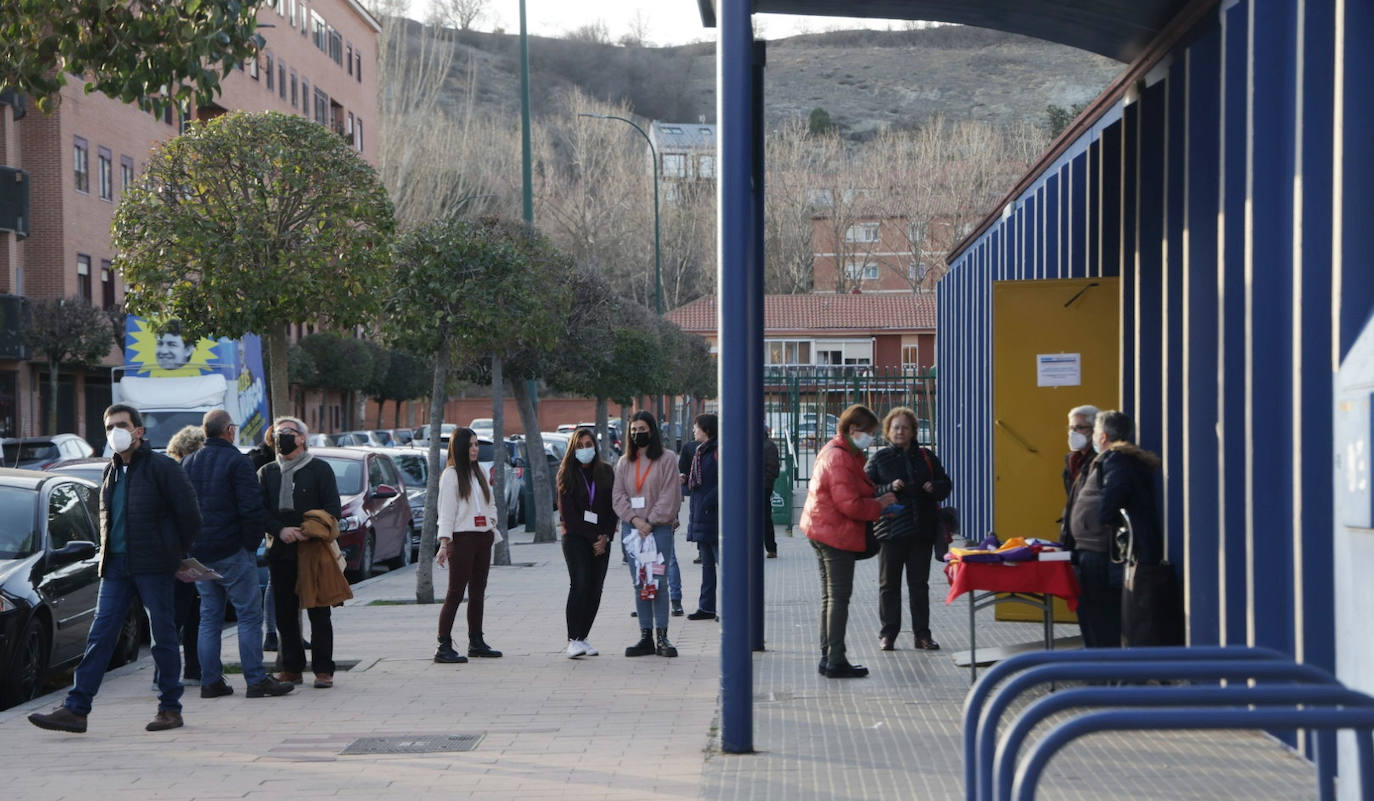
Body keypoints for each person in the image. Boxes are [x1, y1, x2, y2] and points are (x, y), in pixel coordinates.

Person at [29, 404, 201, 733]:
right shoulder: (112, 471)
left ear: (139, 431)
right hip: (116, 567)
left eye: (121, 425)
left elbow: (190, 516)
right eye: (109, 427)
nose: (114, 432)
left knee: (162, 637)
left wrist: (173, 553)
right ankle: (76, 709)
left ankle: (170, 708)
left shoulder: (162, 467)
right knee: (100, 635)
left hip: (154, 565)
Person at [181, 410, 294, 700]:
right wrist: (248, 545)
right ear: (229, 430)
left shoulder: (188, 462)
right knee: (248, 615)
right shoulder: (238, 461)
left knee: (209, 617)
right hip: (232, 551)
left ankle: (210, 681)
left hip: (200, 552)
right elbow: (251, 508)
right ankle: (256, 679)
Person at [801, 404, 896, 679]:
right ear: (854, 429)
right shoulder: (840, 457)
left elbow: (856, 489)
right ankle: (835, 659)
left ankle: (828, 655)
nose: (872, 439)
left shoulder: (841, 450)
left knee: (830, 597)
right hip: (835, 534)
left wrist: (877, 497)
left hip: (822, 528)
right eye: (869, 433)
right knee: (839, 598)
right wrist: (878, 507)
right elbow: (850, 505)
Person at [1066, 410, 1162, 648]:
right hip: (1093, 548)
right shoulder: (1109, 460)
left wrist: (1105, 517)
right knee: (1096, 615)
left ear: (1103, 436)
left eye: (1094, 431)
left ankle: (1106, 672)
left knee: (1101, 617)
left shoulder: (1116, 460)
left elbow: (1116, 492)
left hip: (1101, 552)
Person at [259, 416, 342, 688]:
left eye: (288, 432)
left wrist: (306, 530)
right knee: (285, 613)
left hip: (313, 551)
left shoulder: (319, 469)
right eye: (278, 432)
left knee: (319, 612)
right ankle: (292, 668)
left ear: (302, 438)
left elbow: (332, 510)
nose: (281, 436)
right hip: (280, 551)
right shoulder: (267, 472)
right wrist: (280, 530)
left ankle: (323, 670)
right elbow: (259, 511)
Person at [865, 406, 951, 652]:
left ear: (913, 431)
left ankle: (922, 635)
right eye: (895, 428)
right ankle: (888, 634)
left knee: (919, 586)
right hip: (890, 532)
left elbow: (946, 485)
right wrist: (888, 487)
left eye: (905, 427)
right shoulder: (879, 459)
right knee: (888, 585)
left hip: (921, 531)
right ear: (888, 431)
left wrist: (933, 487)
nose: (900, 431)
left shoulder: (926, 456)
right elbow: (866, 490)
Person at [612, 411, 682, 658]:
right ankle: (645, 635)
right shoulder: (624, 463)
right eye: (633, 430)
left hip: (658, 530)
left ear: (651, 431)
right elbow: (618, 496)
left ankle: (662, 636)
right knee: (640, 582)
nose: (637, 434)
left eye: (641, 429)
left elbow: (670, 494)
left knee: (659, 582)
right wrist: (635, 520)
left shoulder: (667, 459)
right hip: (633, 532)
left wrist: (650, 522)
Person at [433, 427, 503, 663]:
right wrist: (444, 543)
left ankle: (476, 640)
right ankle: (443, 644)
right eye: (471, 445)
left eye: (477, 445)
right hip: (462, 539)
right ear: (461, 447)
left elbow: (490, 502)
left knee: (478, 592)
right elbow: (446, 512)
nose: (475, 449)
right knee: (455, 592)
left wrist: (492, 521)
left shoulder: (480, 471)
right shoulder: (451, 475)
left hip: (483, 537)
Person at [557, 427, 616, 658]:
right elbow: (568, 516)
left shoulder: (606, 472)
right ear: (573, 449)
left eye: (588, 444)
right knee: (579, 584)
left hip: (602, 538)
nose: (585, 450)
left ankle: (583, 637)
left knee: (595, 588)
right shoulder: (566, 474)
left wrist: (605, 536)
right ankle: (572, 638)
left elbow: (613, 508)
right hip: (576, 539)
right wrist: (594, 538)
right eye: (580, 446)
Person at [166, 424, 205, 683]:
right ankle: (191, 668)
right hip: (188, 554)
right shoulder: (188, 475)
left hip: (175, 554)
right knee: (191, 616)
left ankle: (167, 672)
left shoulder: (170, 474)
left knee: (179, 615)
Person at [685, 414, 720, 621]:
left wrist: (708, 500)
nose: (693, 430)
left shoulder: (716, 451)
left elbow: (724, 479)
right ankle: (706, 607)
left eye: (696, 427)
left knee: (720, 563)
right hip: (702, 514)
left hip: (713, 514)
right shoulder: (699, 451)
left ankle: (727, 606)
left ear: (706, 429)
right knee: (707, 565)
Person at [1062, 405, 1099, 495]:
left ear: (1094, 429)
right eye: (1071, 428)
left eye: (1080, 427)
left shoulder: (1101, 458)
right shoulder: (1071, 460)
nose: (1073, 432)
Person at [762, 425, 781, 558]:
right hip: (752, 489)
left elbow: (773, 469)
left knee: (765, 519)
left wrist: (765, 486)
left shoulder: (768, 446)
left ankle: (771, 548)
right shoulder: (750, 443)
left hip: (762, 489)